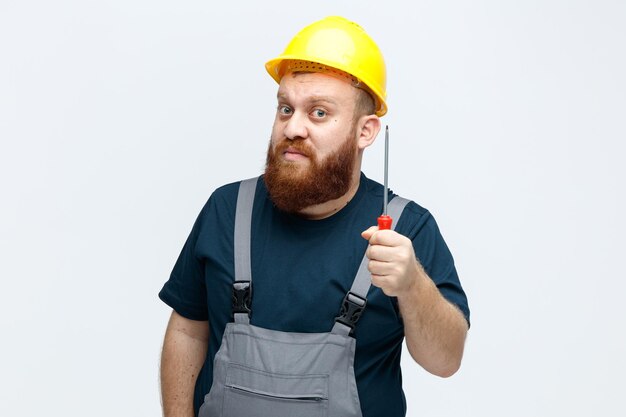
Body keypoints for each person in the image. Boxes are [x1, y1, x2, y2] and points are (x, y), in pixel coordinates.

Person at [159, 16, 470, 417]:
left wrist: (412, 284)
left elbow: (445, 361)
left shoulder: (407, 229)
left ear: (366, 131)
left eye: (319, 113)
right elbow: (186, 330)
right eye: (285, 108)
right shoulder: (226, 210)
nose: (294, 127)